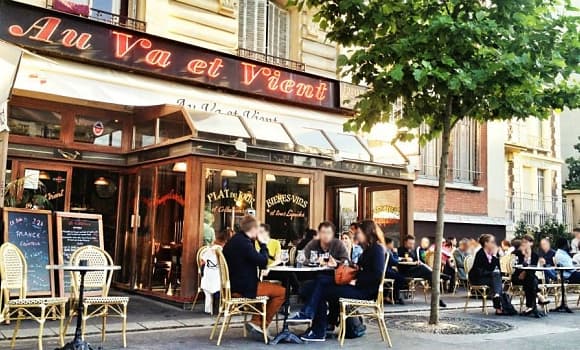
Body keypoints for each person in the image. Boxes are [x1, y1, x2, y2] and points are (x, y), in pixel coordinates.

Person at [300, 220, 386, 342]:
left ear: (368, 233)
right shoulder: (368, 249)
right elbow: (356, 268)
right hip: (358, 287)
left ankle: (318, 329)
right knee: (319, 281)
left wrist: (357, 282)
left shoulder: (376, 249)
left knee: (319, 290)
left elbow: (377, 275)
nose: (357, 235)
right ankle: (317, 321)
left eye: (359, 232)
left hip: (364, 291)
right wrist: (337, 265)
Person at [222, 215, 285, 337]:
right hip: (244, 287)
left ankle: (256, 321)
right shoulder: (244, 243)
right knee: (282, 292)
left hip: (234, 285)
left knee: (269, 289)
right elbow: (263, 262)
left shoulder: (236, 240)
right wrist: (263, 244)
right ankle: (262, 324)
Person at [397, 235, 446, 307]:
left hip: (415, 271)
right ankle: (438, 275)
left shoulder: (413, 251)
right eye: (410, 243)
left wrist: (416, 261)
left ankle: (438, 299)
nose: (411, 245)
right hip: (406, 271)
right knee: (423, 268)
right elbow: (397, 259)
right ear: (405, 242)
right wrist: (404, 259)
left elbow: (415, 260)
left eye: (413, 243)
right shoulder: (400, 250)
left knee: (432, 278)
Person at [511, 235, 548, 315]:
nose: (524, 244)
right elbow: (515, 266)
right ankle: (538, 295)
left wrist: (525, 272)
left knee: (530, 279)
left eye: (526, 242)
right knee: (532, 280)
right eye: (523, 242)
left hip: (528, 277)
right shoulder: (518, 253)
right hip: (518, 277)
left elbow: (533, 269)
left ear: (531, 243)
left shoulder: (535, 255)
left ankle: (530, 307)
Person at [469, 234, 503, 315]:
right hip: (478, 278)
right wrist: (492, 272)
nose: (494, 244)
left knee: (496, 277)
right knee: (496, 278)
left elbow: (497, 268)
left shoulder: (493, 254)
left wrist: (494, 256)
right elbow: (479, 272)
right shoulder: (480, 254)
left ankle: (497, 298)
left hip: (488, 278)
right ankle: (497, 299)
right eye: (492, 242)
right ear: (486, 243)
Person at [200, 228, 231, 314]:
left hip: (207, 276)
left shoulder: (210, 249)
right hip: (218, 278)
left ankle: (209, 309)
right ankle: (222, 306)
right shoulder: (224, 251)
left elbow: (202, 262)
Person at [384, 237, 405, 304]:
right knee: (400, 278)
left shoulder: (387, 251)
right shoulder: (387, 251)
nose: (393, 246)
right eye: (392, 244)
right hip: (386, 272)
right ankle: (394, 297)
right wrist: (395, 253)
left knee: (399, 276)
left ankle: (393, 296)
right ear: (388, 244)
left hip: (386, 271)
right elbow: (394, 262)